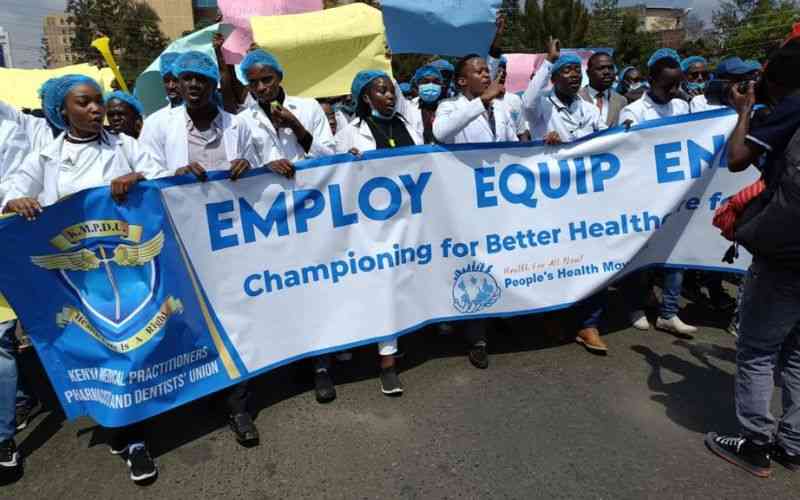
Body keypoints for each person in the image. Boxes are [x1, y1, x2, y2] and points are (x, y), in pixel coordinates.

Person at [1, 75, 172, 483]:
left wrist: (137, 178)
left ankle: (133, 438)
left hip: (127, 272)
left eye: (99, 101)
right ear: (62, 111)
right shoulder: (46, 156)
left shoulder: (125, 146)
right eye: (84, 103)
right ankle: (117, 425)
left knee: (130, 349)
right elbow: (13, 189)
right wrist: (17, 200)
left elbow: (163, 177)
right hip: (78, 279)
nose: (96, 109)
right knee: (98, 353)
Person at [138, 52, 260, 446]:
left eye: (201, 78)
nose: (192, 85)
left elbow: (258, 165)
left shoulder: (237, 124)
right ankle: (202, 388)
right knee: (192, 317)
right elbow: (145, 173)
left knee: (235, 315)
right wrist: (171, 175)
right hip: (182, 239)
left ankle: (238, 405)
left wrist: (247, 164)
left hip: (231, 239)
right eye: (185, 78)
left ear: (213, 84)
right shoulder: (159, 125)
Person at [705, 45, 800, 478]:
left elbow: (738, 157)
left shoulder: (792, 105)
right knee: (796, 351)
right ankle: (793, 443)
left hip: (786, 256)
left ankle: (755, 443)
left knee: (759, 349)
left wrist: (743, 111)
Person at [331, 71, 423, 397]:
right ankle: (387, 363)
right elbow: (333, 174)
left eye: (391, 90)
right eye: (381, 91)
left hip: (410, 221)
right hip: (373, 229)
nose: (389, 96)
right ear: (366, 98)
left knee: (403, 283)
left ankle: (396, 341)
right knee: (382, 285)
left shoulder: (409, 126)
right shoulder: (350, 134)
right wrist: (349, 163)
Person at [432, 54, 517, 369]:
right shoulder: (450, 107)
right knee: (474, 264)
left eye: (487, 70)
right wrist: (481, 102)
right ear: (462, 81)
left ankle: (500, 314)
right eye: (478, 71)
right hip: (465, 199)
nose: (486, 74)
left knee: (500, 257)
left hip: (500, 196)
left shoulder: (502, 107)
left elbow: (512, 145)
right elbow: (441, 133)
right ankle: (476, 337)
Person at [619, 48, 697, 337]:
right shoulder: (634, 111)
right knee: (642, 255)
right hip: (644, 195)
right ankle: (636, 306)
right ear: (651, 81)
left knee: (676, 253)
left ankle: (669, 312)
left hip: (676, 193)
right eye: (668, 85)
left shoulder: (681, 107)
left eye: (678, 84)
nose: (674, 91)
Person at [237, 49, 335, 176]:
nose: (260, 88)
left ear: (279, 77)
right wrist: (267, 167)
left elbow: (330, 157)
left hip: (312, 185)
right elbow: (245, 170)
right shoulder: (243, 120)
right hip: (272, 188)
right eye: (253, 82)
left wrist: (295, 125)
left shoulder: (309, 107)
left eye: (267, 79)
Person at [0, 118, 29, 476]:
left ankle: (2, 439)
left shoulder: (7, 131)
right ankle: (19, 396)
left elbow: (16, 185)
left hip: (3, 242)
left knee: (0, 341)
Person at [521, 38, 606, 144]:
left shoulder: (591, 110)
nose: (574, 75)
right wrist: (550, 60)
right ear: (553, 79)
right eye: (567, 70)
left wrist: (624, 131)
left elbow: (608, 138)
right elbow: (528, 104)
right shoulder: (541, 107)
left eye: (578, 71)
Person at [690, 57, 756, 113]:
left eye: (745, 77)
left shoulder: (751, 98)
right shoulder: (700, 101)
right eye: (737, 78)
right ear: (720, 80)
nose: (742, 82)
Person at [579, 51, 627, 128]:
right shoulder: (577, 98)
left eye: (610, 68)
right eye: (600, 68)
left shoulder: (621, 101)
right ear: (588, 73)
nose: (607, 72)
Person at [408, 64, 446, 144]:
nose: (431, 85)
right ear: (417, 85)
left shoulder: (449, 107)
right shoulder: (409, 108)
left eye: (436, 82)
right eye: (425, 82)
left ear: (441, 85)